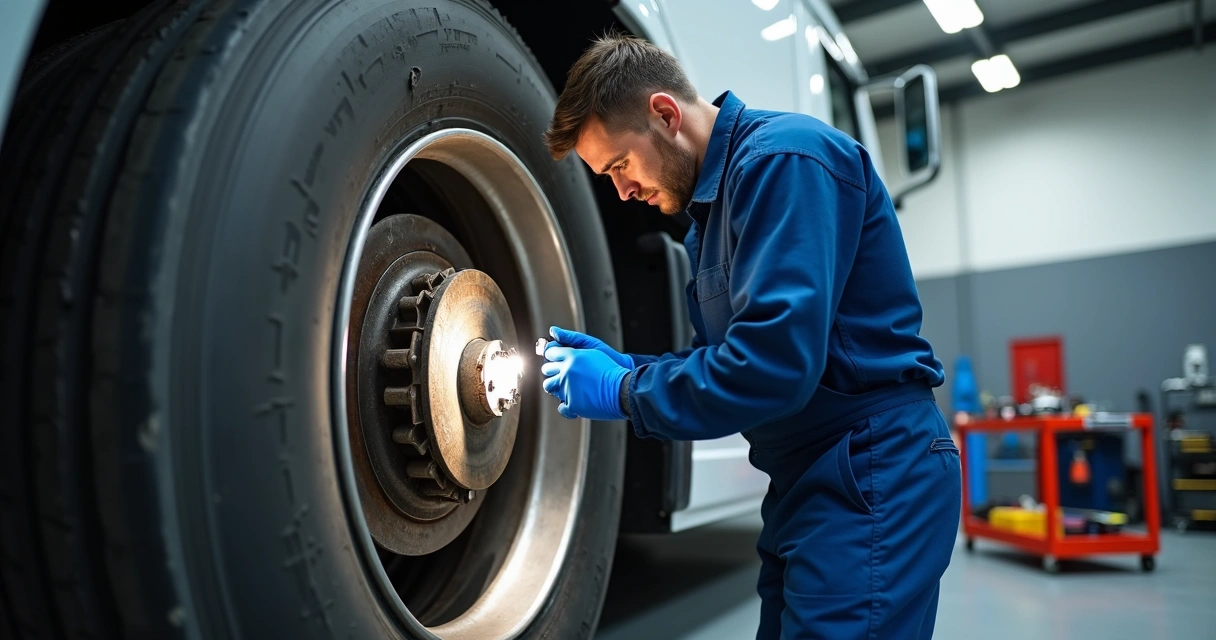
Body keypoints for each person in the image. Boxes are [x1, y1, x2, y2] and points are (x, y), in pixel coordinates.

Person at [538, 33, 960, 639]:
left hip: (872, 468)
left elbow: (772, 366)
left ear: (664, 113)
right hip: (807, 483)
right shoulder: (709, 223)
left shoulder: (784, 161)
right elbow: (731, 358)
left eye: (619, 166)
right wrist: (626, 365)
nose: (622, 191)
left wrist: (627, 390)